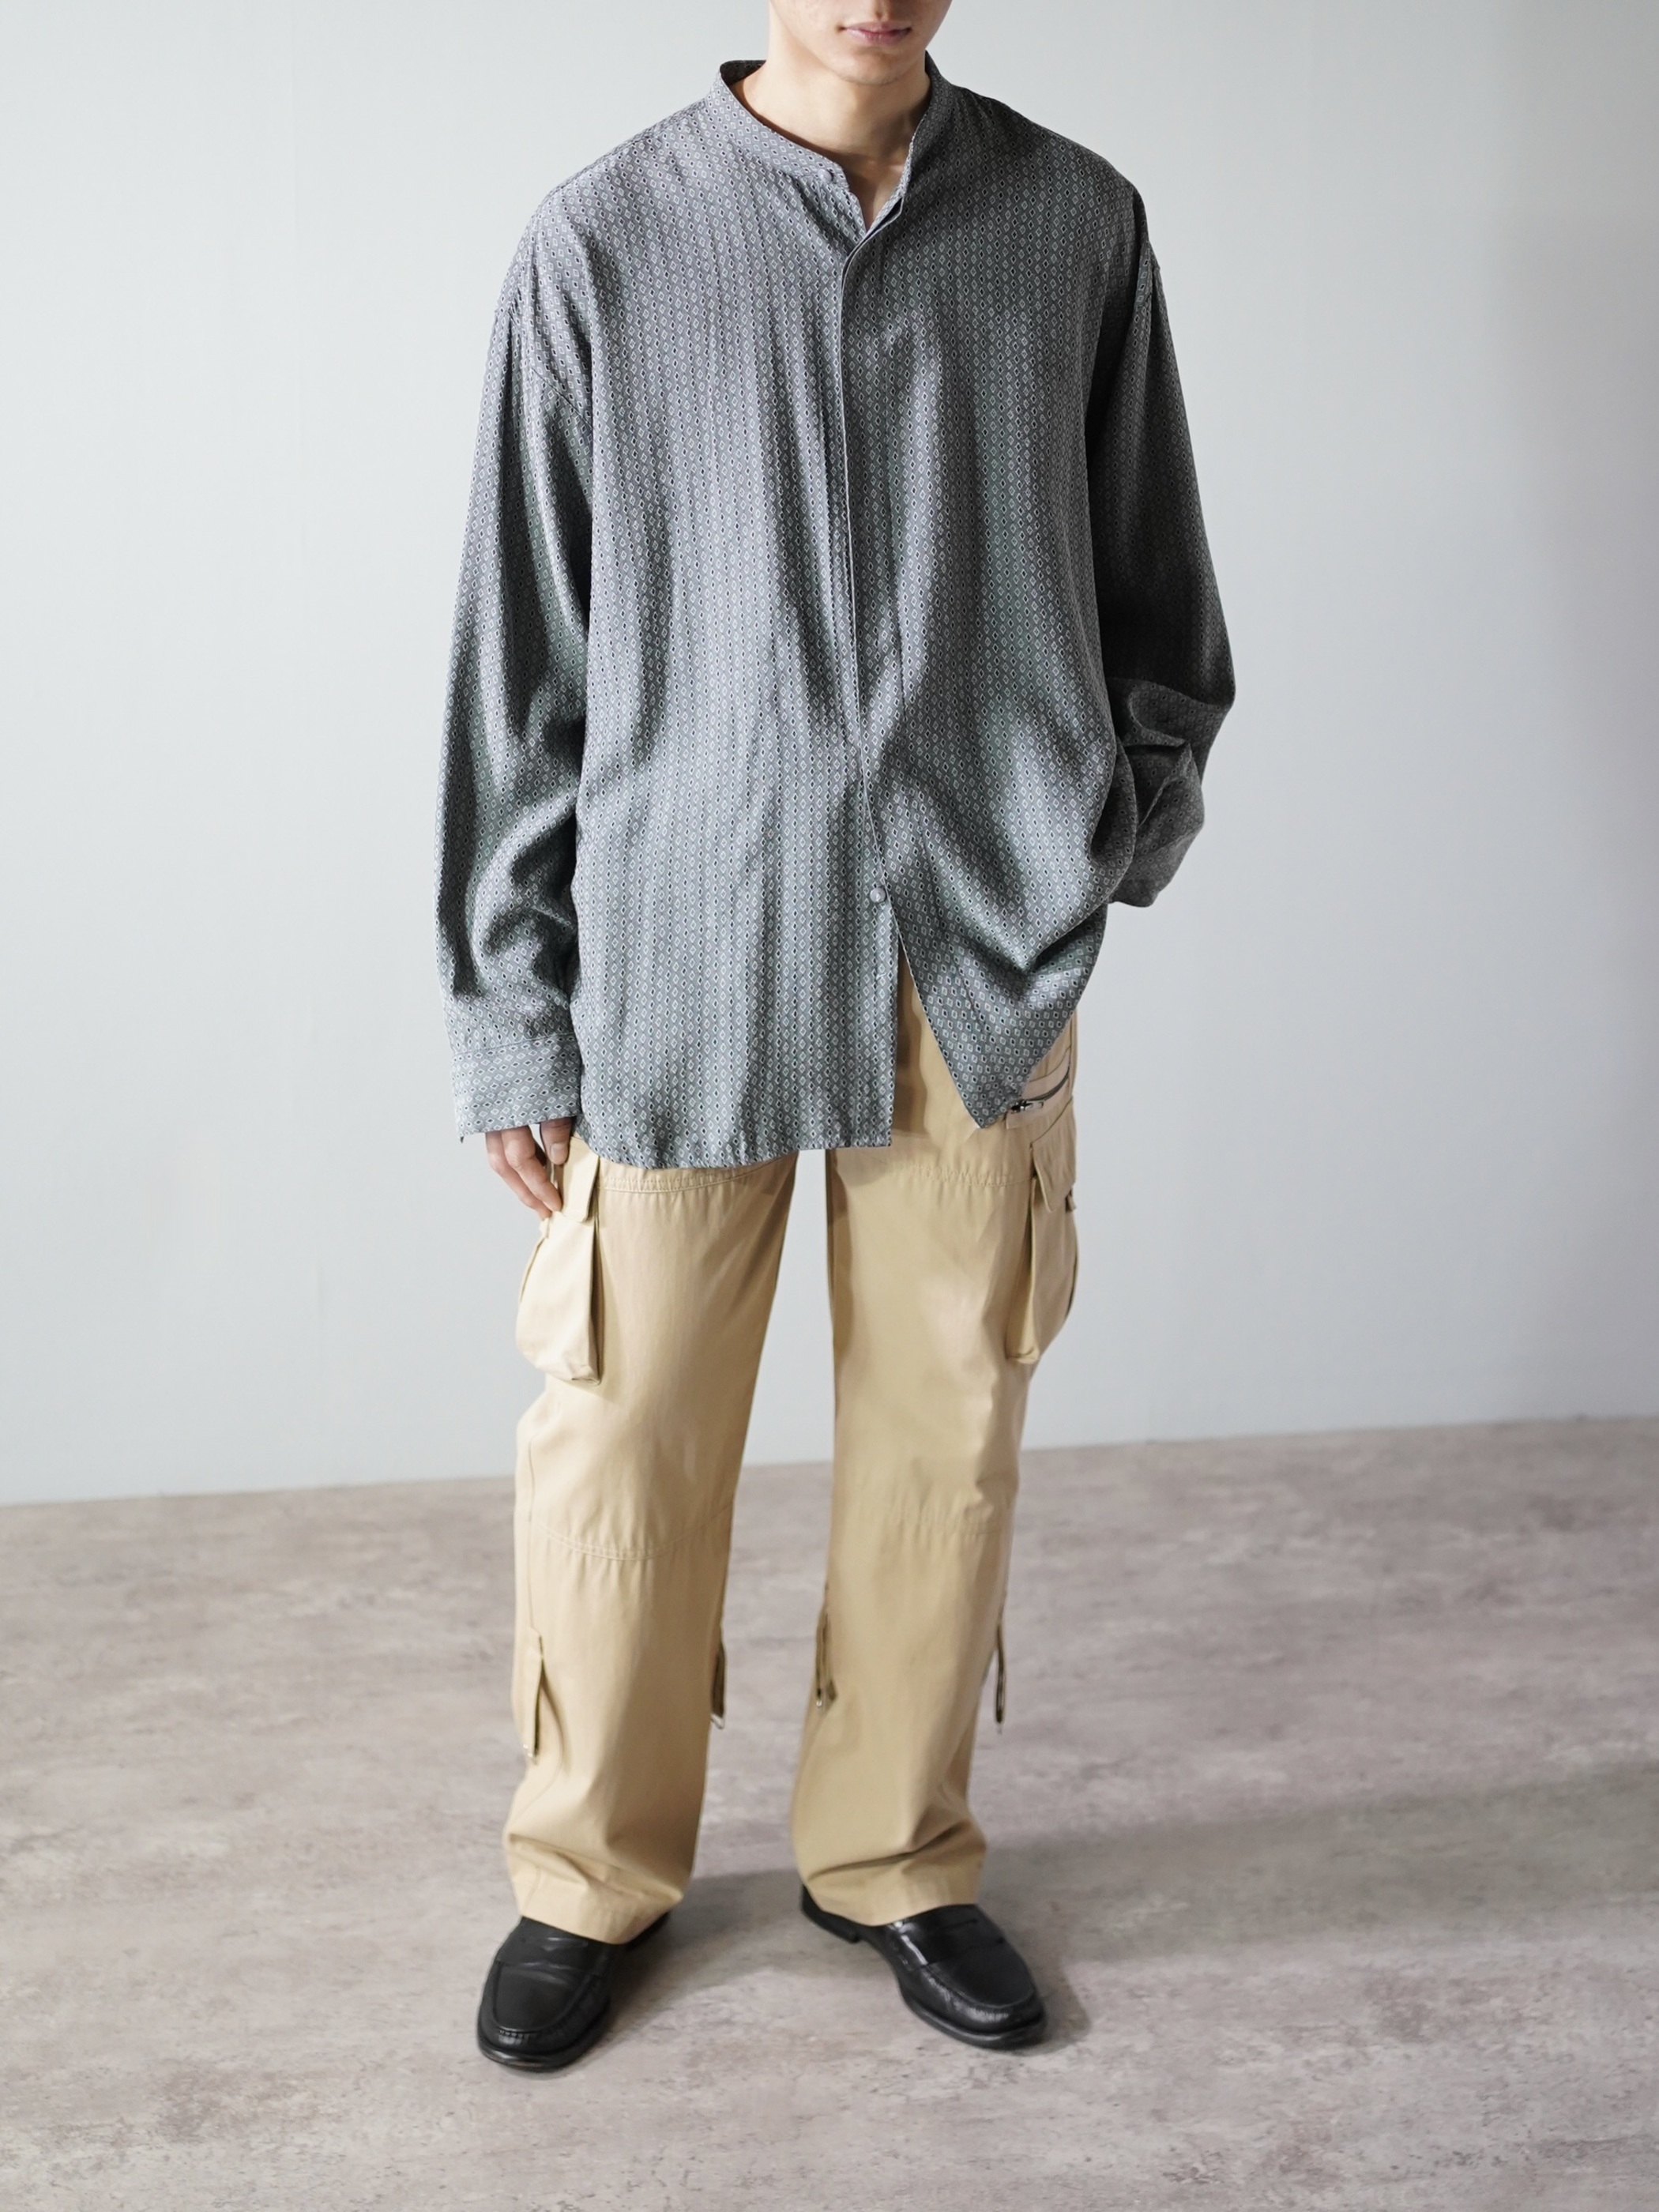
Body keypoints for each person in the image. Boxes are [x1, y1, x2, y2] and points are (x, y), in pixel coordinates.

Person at [437, 0, 1232, 2071]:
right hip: (681, 945)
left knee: (944, 1428)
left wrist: (1096, 844)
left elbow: (1161, 592)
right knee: (623, 1430)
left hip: (974, 951)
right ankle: (587, 1877)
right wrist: (512, 1011)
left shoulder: (1072, 222)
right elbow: (522, 654)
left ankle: (893, 1855)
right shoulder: (601, 241)